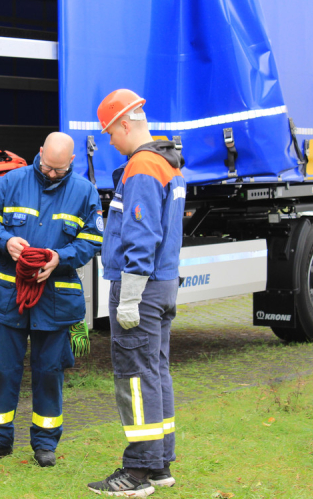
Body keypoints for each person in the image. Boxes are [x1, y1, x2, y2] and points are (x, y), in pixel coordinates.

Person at [0, 132, 103, 467]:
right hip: (7, 298)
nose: (52, 174)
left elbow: (92, 239)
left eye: (60, 170)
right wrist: (5, 241)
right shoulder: (11, 181)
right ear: (40, 152)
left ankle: (45, 444)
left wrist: (60, 257)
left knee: (49, 371)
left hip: (55, 301)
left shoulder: (85, 192)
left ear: (71, 162)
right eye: (47, 166)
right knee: (1, 369)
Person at [87, 89, 186, 497]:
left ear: (126, 124)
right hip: (161, 286)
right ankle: (159, 463)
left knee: (135, 378)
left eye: (111, 132)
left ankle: (138, 473)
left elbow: (142, 235)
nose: (110, 140)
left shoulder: (143, 166)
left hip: (141, 290)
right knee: (155, 373)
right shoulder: (167, 164)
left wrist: (127, 295)